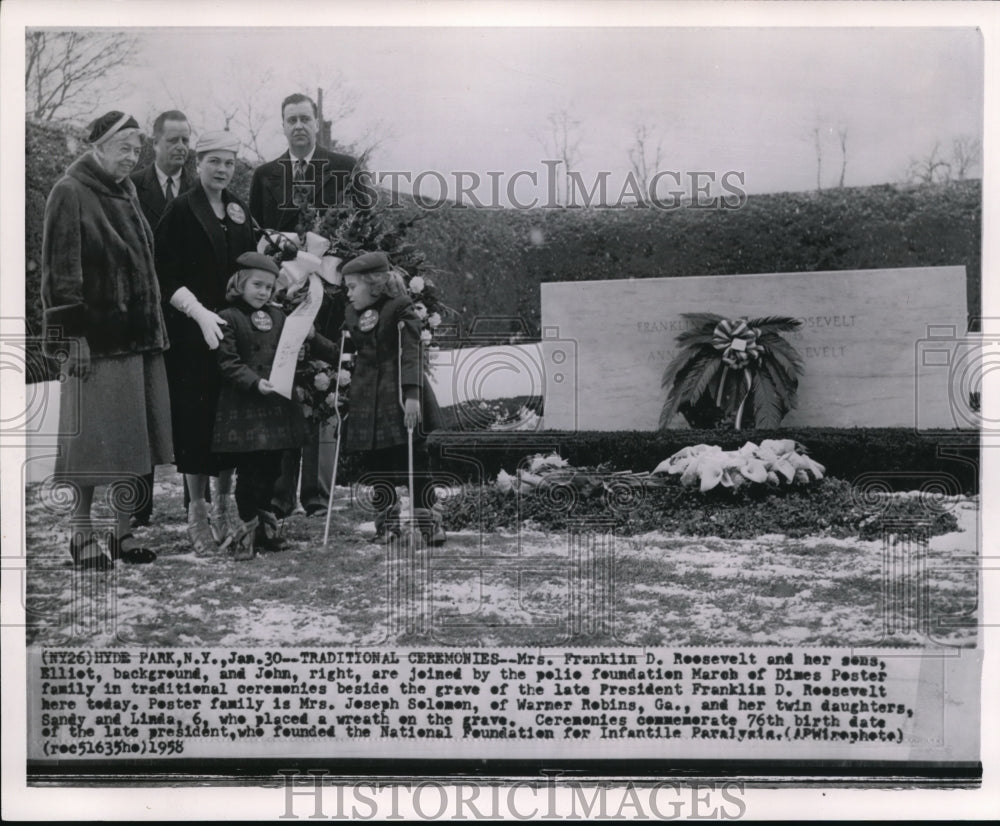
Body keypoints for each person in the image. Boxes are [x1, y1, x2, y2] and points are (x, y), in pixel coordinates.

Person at [41, 110, 170, 568]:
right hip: (94, 344)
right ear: (99, 146)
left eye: (137, 150)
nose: (132, 158)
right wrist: (70, 338)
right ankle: (80, 534)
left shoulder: (127, 192)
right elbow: (61, 275)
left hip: (137, 339)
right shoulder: (69, 191)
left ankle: (122, 531)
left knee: (132, 443)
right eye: (125, 148)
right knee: (89, 444)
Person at [249, 93, 356, 520]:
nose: (298, 125)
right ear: (282, 125)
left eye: (304, 118)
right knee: (285, 385)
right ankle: (280, 493)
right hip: (284, 297)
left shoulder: (344, 169)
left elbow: (360, 231)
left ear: (317, 123)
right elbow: (256, 242)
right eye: (290, 119)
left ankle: (317, 495)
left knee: (327, 386)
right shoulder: (265, 175)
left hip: (329, 298)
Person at [154, 130, 256, 554]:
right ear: (199, 164)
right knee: (197, 424)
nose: (222, 170)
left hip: (231, 330)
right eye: (214, 161)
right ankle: (196, 510)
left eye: (229, 163)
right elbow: (165, 273)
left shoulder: (237, 209)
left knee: (228, 421)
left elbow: (247, 265)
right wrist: (196, 312)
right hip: (192, 333)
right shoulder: (180, 209)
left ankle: (224, 506)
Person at [212, 253, 340, 559]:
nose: (263, 292)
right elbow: (227, 363)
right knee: (249, 472)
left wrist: (322, 343)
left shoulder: (280, 317)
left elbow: (296, 345)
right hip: (245, 406)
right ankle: (247, 530)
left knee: (272, 470)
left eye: (269, 287)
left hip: (276, 407)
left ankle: (266, 527)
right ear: (240, 283)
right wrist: (254, 381)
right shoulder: (227, 317)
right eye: (256, 285)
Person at [340, 252, 445, 545]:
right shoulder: (352, 314)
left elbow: (411, 350)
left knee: (415, 462)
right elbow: (349, 352)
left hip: (398, 393)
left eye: (352, 287)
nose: (348, 294)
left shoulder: (400, 307)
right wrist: (312, 339)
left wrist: (412, 394)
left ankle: (429, 523)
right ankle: (387, 524)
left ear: (374, 284)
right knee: (377, 465)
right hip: (367, 398)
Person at [128, 109, 193, 528]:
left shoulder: (200, 186)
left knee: (191, 407)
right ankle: (139, 507)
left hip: (190, 317)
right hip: (146, 316)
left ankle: (196, 502)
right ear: (155, 143)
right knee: (144, 410)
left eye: (186, 140)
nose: (181, 148)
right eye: (173, 140)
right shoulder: (132, 187)